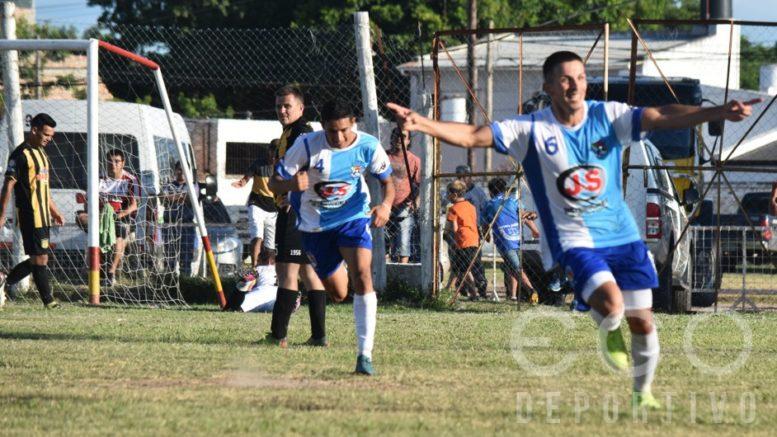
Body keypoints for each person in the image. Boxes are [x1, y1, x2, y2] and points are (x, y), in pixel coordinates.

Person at [388, 50, 760, 409]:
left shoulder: (608, 116)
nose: (575, 85)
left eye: (580, 78)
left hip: (621, 233)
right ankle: (607, 324)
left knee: (643, 321)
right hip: (572, 238)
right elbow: (473, 135)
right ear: (549, 86)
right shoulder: (531, 129)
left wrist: (717, 111)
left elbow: (661, 115)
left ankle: (642, 393)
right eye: (566, 79)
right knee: (613, 304)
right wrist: (422, 123)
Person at [271, 99, 394, 375]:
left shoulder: (368, 145)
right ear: (322, 126)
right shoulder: (306, 146)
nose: (338, 137)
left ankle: (364, 355)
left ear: (353, 123)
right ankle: (340, 265)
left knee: (363, 274)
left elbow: (388, 182)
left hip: (353, 217)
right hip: (314, 226)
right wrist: (291, 184)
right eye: (331, 131)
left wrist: (385, 205)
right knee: (338, 294)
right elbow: (273, 182)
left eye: (343, 130)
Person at [265, 85, 331, 349]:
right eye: (279, 106)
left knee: (287, 272)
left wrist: (293, 194)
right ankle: (319, 336)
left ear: (301, 108)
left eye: (287, 106)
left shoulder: (301, 134)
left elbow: (309, 168)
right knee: (308, 271)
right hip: (303, 210)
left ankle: (278, 335)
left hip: (296, 211)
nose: (282, 110)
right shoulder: (291, 132)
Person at [0, 113, 65, 307]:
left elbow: (43, 188)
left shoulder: (42, 153)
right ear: (34, 130)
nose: (49, 139)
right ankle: (49, 301)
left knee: (40, 257)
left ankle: (4, 280)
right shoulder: (20, 155)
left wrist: (55, 211)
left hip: (43, 216)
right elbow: (8, 186)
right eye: (46, 134)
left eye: (51, 136)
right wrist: (1, 215)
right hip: (30, 214)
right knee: (40, 257)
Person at [77, 149, 138, 286]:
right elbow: (88, 202)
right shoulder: (98, 178)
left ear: (123, 163)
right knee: (81, 218)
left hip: (120, 217)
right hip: (100, 217)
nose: (113, 164)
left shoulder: (130, 180)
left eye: (117, 161)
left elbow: (134, 206)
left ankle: (111, 273)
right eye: (110, 161)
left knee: (118, 238)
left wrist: (120, 214)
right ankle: (93, 269)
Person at [480, 177, 540, 302]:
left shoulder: (489, 205)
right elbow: (524, 215)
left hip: (504, 242)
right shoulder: (513, 201)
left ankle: (531, 291)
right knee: (513, 267)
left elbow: (484, 224)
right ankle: (513, 295)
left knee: (516, 267)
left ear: (490, 191)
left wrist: (487, 235)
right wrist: (534, 230)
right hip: (517, 238)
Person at [231, 136, 278, 270]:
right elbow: (246, 178)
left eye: (277, 154)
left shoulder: (282, 166)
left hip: (273, 208)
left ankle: (269, 271)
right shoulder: (258, 164)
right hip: (257, 203)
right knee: (257, 236)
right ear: (269, 151)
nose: (273, 157)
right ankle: (254, 268)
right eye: (272, 153)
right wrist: (242, 183)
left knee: (270, 245)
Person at [445, 180, 487, 300]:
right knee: (460, 267)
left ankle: (473, 294)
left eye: (448, 193)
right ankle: (448, 289)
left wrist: (448, 235)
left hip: (462, 241)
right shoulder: (471, 206)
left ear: (454, 194)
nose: (447, 196)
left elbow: (454, 228)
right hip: (474, 239)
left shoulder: (453, 209)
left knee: (464, 269)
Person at [385, 127, 420, 263]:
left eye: (403, 136)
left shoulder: (414, 160)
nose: (399, 139)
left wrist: (416, 203)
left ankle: (402, 271)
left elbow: (421, 184)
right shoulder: (383, 156)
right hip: (384, 204)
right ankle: (383, 271)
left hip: (404, 206)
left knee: (403, 243)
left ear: (408, 140)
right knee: (382, 242)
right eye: (396, 135)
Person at [161, 162, 198, 276]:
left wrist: (173, 197)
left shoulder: (193, 185)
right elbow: (163, 199)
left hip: (186, 225)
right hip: (170, 225)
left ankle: (185, 280)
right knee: (169, 257)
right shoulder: (168, 185)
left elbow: (190, 199)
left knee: (186, 258)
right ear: (175, 170)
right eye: (179, 169)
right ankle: (169, 280)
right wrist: (181, 196)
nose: (181, 172)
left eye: (184, 169)